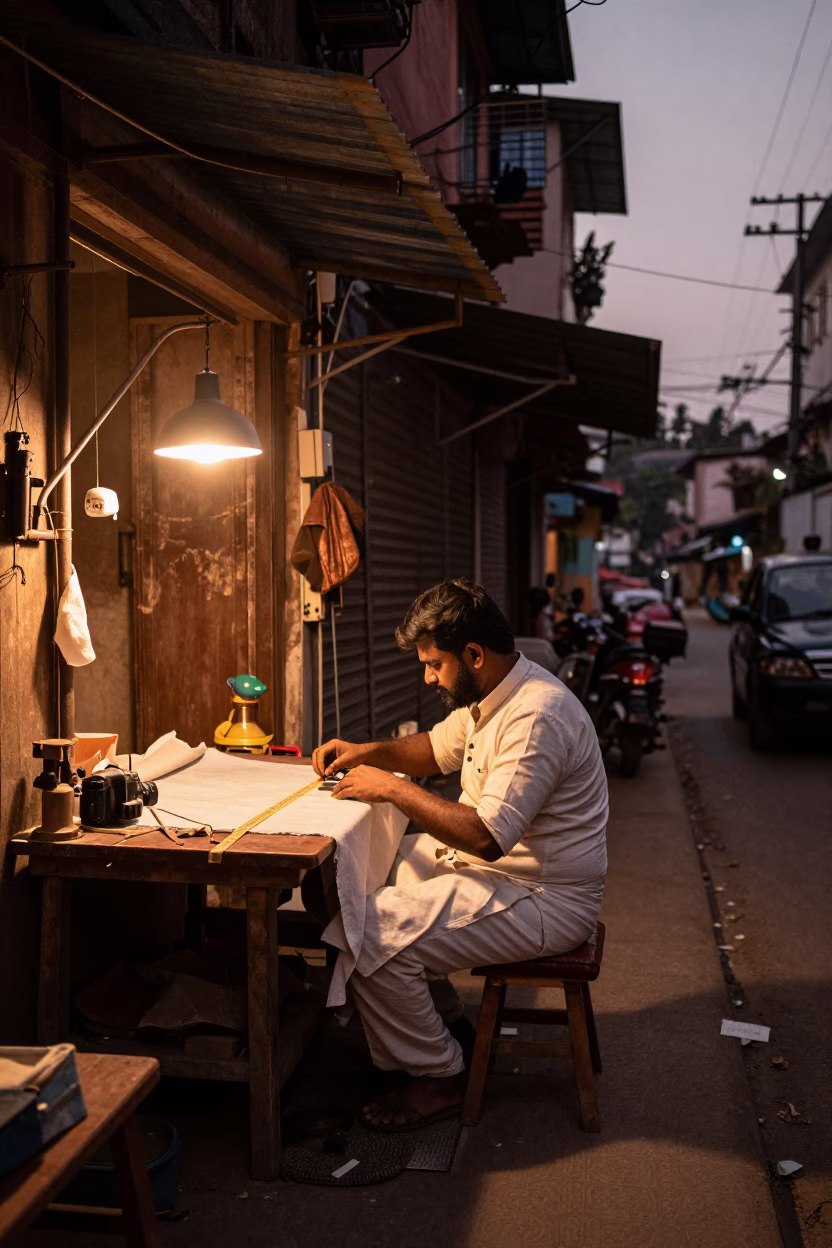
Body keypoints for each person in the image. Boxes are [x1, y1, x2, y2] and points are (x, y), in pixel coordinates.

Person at [312, 579, 608, 1132]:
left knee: (371, 930)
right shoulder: (489, 695)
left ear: (474, 654)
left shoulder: (535, 716)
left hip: (544, 896)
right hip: (501, 871)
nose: (428, 677)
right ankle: (443, 1022)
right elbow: (433, 748)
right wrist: (366, 751)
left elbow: (485, 837)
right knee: (368, 881)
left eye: (434, 664)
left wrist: (394, 788)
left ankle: (441, 1075)